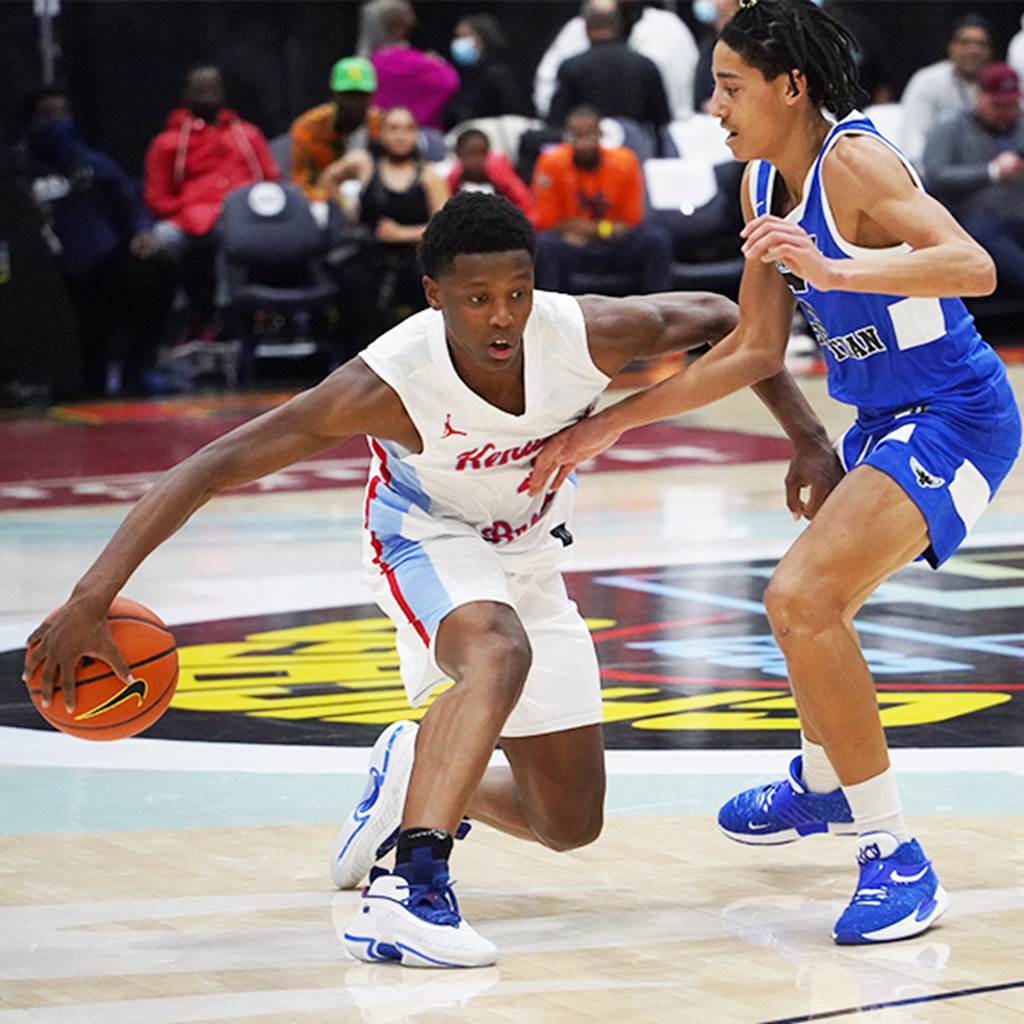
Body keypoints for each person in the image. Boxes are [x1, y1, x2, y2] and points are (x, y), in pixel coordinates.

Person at [22, 190, 837, 967]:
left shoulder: (583, 332)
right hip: (425, 536)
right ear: (434, 296)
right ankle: (406, 891)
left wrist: (805, 437)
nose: (503, 316)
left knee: (568, 823)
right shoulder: (386, 384)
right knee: (496, 653)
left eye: (517, 291)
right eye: (478, 298)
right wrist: (91, 597)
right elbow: (211, 466)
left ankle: (410, 772)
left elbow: (731, 321)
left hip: (532, 551)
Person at [528, 0, 1020, 946]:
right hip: (883, 420)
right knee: (803, 605)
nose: (713, 104)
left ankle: (896, 858)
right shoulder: (762, 182)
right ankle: (825, 782)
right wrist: (611, 427)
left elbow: (972, 266)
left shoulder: (855, 163)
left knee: (801, 597)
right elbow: (753, 347)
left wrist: (840, 276)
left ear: (791, 86)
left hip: (958, 417)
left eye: (730, 85)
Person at [18, 87, 178, 396]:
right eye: (46, 115)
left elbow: (128, 203)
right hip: (43, 273)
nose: (57, 123)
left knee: (156, 269)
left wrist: (143, 231)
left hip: (100, 264)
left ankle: (137, 372)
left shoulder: (90, 163)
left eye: (62, 114)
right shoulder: (17, 167)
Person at [144, 66, 278, 338]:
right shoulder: (167, 143)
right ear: (186, 94)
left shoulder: (247, 135)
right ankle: (178, 315)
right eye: (199, 89)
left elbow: (271, 183)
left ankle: (226, 314)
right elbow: (156, 198)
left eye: (212, 89)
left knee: (234, 235)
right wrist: (192, 212)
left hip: (243, 220)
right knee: (162, 238)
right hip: (188, 221)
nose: (207, 96)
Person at [325, 106, 448, 331]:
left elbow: (445, 227)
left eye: (408, 129)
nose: (400, 136)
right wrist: (345, 208)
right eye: (393, 128)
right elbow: (330, 178)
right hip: (369, 253)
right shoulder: (364, 164)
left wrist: (401, 234)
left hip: (413, 257)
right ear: (381, 133)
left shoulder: (429, 176)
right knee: (350, 282)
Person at [533, 105, 672, 294]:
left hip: (614, 246)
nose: (583, 144)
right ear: (567, 137)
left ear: (600, 135)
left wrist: (594, 229)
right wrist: (607, 228)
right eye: (576, 136)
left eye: (589, 135)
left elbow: (630, 220)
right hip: (572, 249)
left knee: (656, 239)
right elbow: (548, 221)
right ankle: (552, 317)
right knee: (544, 244)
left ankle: (660, 308)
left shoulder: (625, 161)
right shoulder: (550, 163)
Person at [923, 63, 1024, 294]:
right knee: (984, 235)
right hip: (973, 219)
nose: (1005, 112)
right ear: (980, 98)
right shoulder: (949, 128)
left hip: (1018, 214)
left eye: (1011, 105)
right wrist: (991, 172)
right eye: (998, 105)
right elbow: (934, 176)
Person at [534, 0, 698, 122]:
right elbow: (546, 90)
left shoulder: (667, 29)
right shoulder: (574, 32)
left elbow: (679, 102)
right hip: (582, 145)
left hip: (649, 139)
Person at [547, 0, 672, 148]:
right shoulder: (645, 66)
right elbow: (662, 122)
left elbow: (555, 124)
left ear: (586, 26)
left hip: (587, 159)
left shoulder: (571, 68)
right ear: (620, 25)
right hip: (637, 157)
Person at [899, 14, 994, 166]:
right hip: (934, 173)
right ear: (951, 47)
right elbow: (913, 138)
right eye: (965, 42)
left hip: (984, 175)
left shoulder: (997, 83)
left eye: (982, 44)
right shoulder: (927, 81)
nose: (974, 50)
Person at [361, 0, 458, 132]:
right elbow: (449, 82)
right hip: (418, 135)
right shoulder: (423, 63)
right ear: (399, 26)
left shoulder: (361, 66)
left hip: (373, 134)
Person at [290, 57, 377, 203]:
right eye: (348, 95)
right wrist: (335, 201)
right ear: (333, 94)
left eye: (361, 95)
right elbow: (301, 184)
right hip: (323, 202)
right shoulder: (308, 128)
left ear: (371, 96)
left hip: (373, 204)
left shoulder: (381, 126)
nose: (355, 103)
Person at [442, 15, 533, 132]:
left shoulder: (498, 74)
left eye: (465, 36)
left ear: (482, 38)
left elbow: (514, 113)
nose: (458, 42)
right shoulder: (460, 73)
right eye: (457, 37)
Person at [446, 128, 535, 221]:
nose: (477, 160)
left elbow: (525, 202)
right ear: (458, 154)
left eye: (482, 154)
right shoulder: (453, 180)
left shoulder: (501, 177)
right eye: (470, 154)